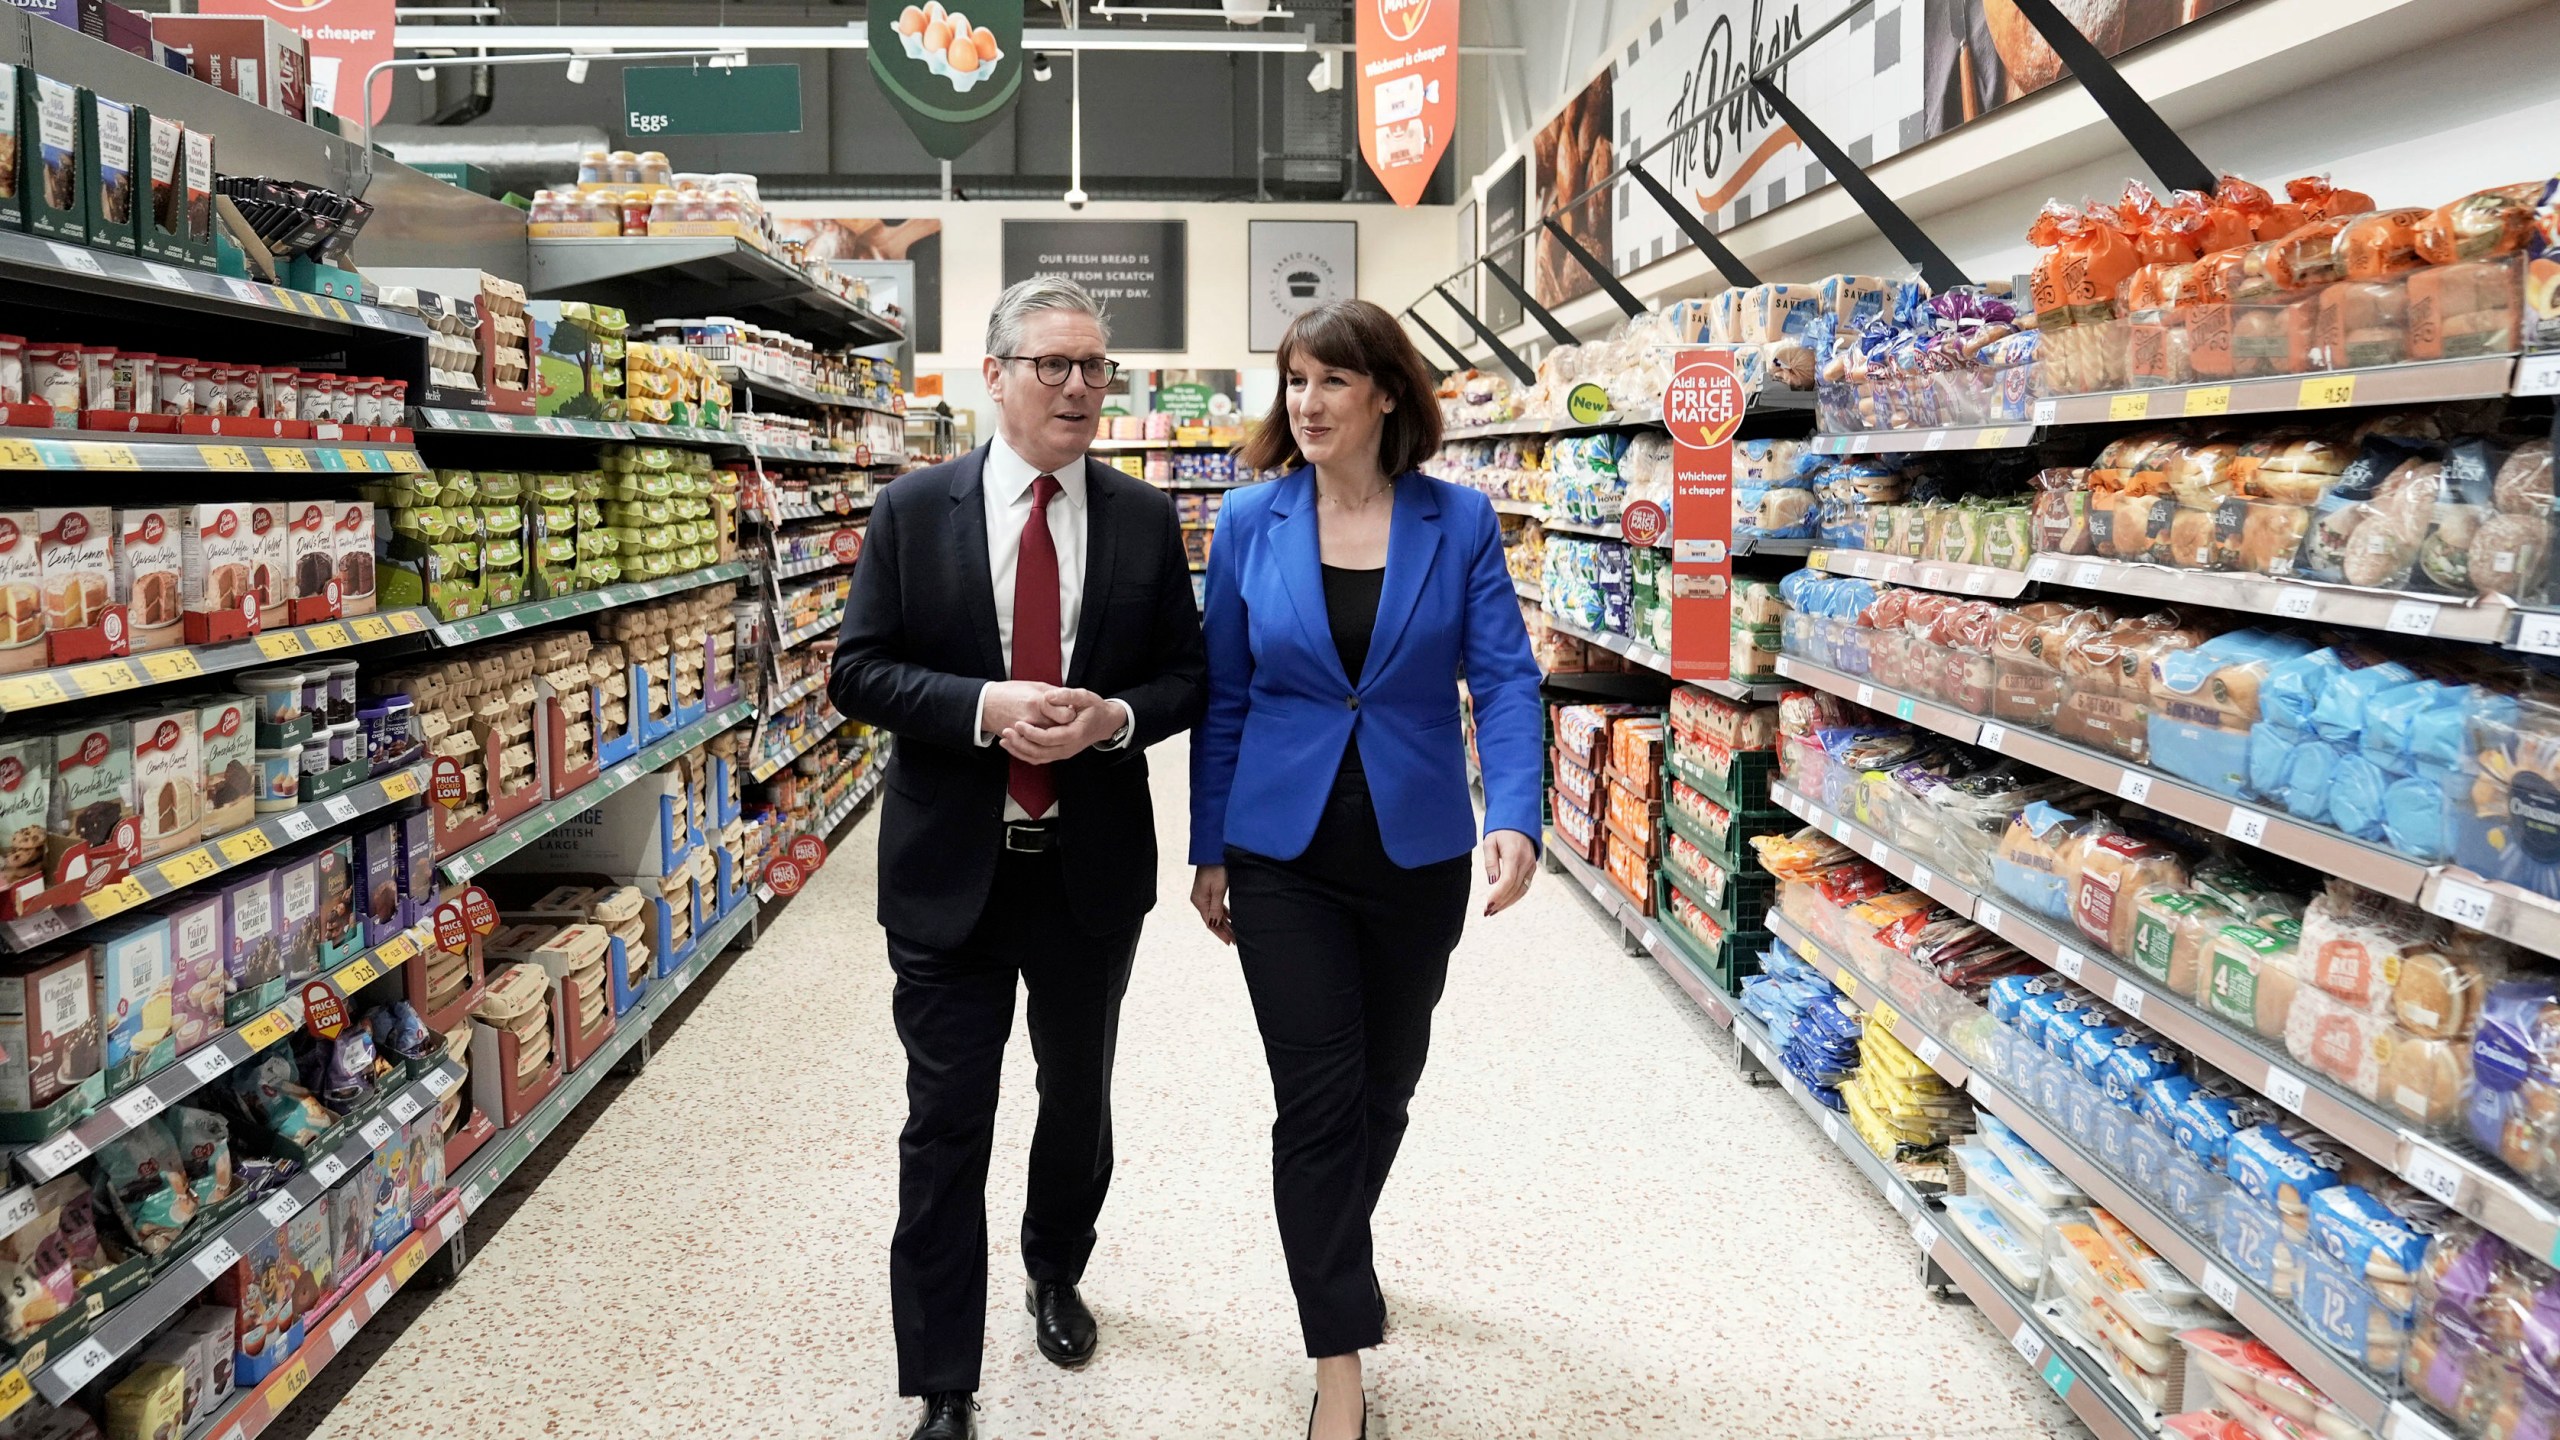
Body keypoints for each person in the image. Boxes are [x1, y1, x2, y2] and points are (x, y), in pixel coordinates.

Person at [830, 276, 1207, 1440]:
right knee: (946, 1118)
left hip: (1087, 869)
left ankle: (1056, 1267)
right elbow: (858, 671)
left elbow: (1187, 678)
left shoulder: (1143, 518)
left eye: (1095, 366)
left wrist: (1116, 720)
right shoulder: (911, 510)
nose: (1081, 387)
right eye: (1054, 364)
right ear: (993, 376)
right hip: (950, 869)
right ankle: (943, 1379)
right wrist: (985, 705)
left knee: (1074, 1095)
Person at [1186, 299, 1544, 1440]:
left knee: (1384, 1088)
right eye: (1294, 380)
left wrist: (1519, 813)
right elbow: (1224, 697)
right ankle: (1336, 1353)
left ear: (1386, 393)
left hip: (1415, 845)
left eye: (1333, 381)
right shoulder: (1250, 520)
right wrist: (1205, 848)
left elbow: (1504, 677)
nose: (1307, 402)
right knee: (1317, 1101)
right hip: (1280, 846)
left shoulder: (1460, 521)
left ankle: (1339, 1246)